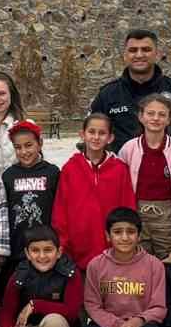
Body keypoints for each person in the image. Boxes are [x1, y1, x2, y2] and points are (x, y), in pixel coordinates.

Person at [74, 207, 167, 327]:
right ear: (107, 235)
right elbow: (92, 305)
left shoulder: (154, 265)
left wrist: (138, 321)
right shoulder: (96, 265)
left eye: (131, 232)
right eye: (117, 232)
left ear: (139, 235)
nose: (124, 237)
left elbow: (159, 307)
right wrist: (115, 325)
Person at [90, 29, 171, 151]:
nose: (139, 55)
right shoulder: (107, 94)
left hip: (163, 169)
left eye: (146, 50)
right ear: (125, 55)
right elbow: (91, 136)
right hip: (121, 168)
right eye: (133, 50)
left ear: (157, 54)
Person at [52, 112, 136, 271]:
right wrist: (62, 241)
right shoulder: (70, 169)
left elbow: (127, 208)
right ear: (82, 135)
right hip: (77, 249)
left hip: (111, 248)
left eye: (102, 133)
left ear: (110, 138)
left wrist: (124, 239)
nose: (96, 137)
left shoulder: (120, 169)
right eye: (91, 132)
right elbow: (60, 209)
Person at [116, 93, 171, 259]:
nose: (156, 118)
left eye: (162, 114)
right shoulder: (129, 148)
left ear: (169, 119)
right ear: (141, 116)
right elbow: (121, 183)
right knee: (138, 258)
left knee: (169, 258)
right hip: (138, 213)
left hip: (167, 216)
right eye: (150, 113)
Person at [0, 119, 59, 275]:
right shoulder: (8, 175)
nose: (24, 152)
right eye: (18, 147)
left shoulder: (52, 173)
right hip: (17, 248)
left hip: (45, 250)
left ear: (39, 143)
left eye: (28, 145)